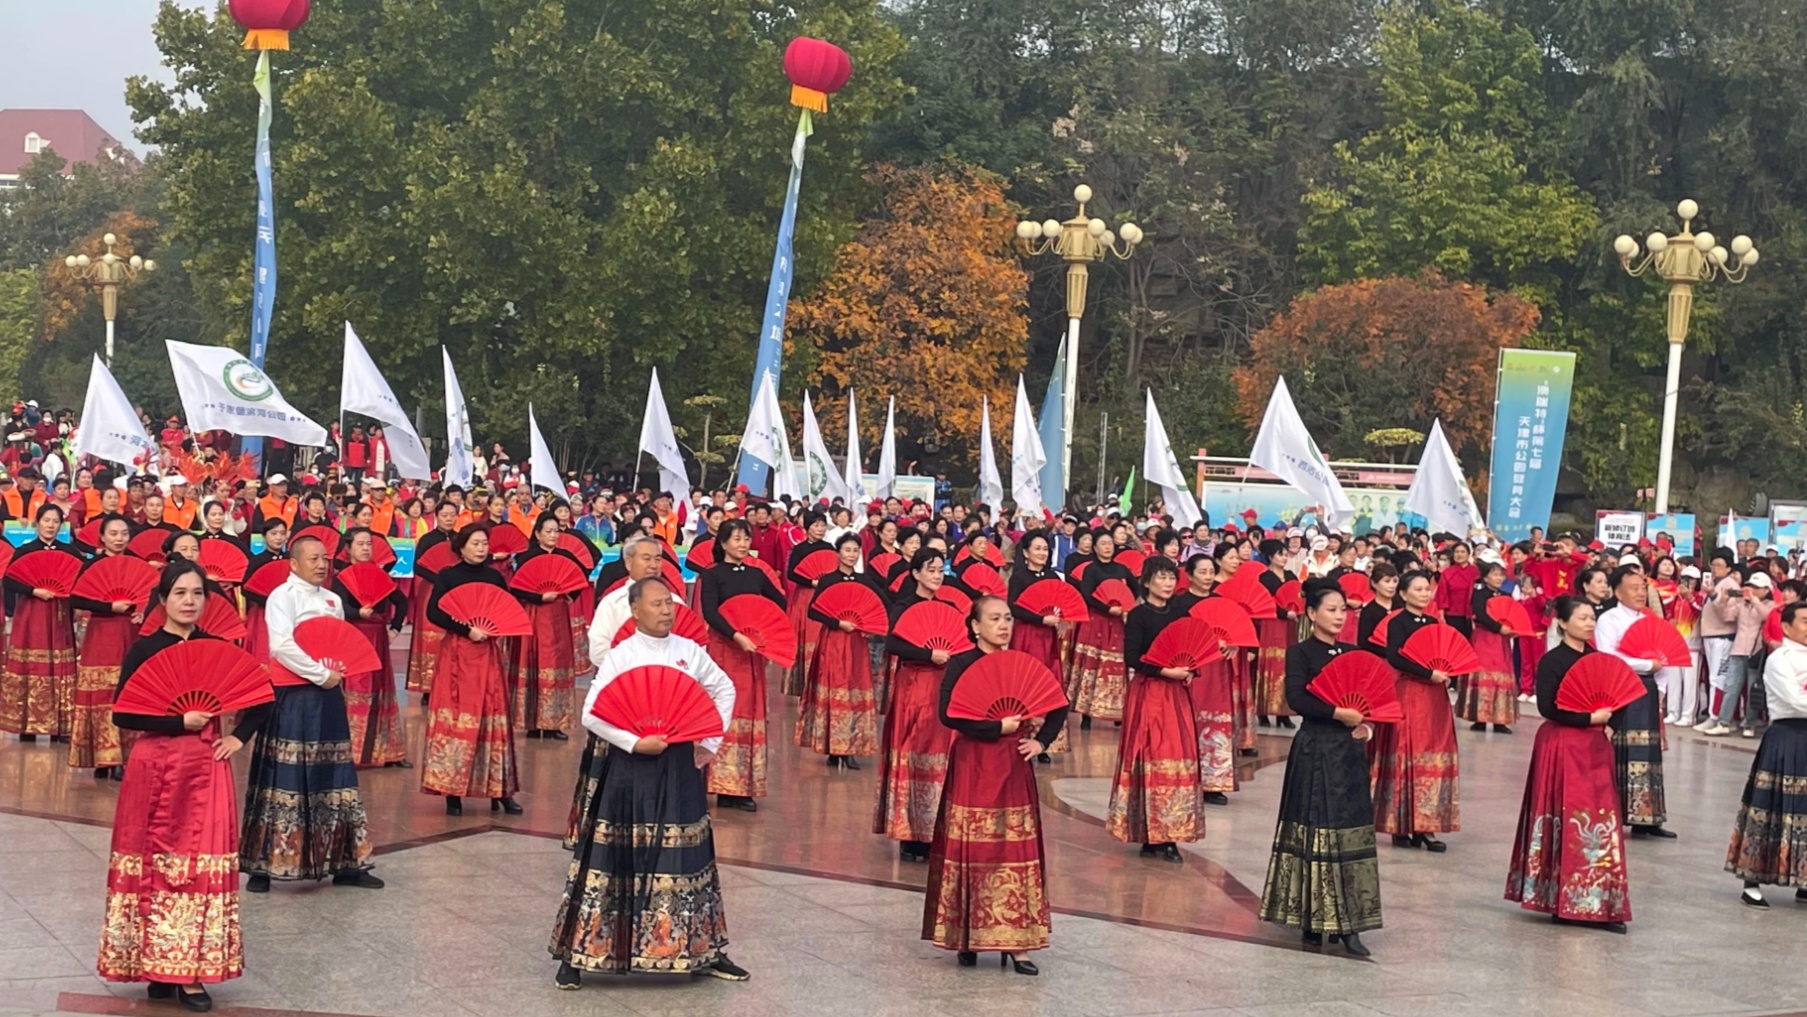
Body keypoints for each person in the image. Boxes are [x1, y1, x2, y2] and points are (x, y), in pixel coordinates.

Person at [550, 577, 749, 986]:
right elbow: (592, 713)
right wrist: (635, 742)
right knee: (612, 859)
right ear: (635, 610)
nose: (665, 611)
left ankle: (702, 948)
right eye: (656, 604)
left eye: (669, 604)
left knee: (687, 858)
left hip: (679, 768)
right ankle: (580, 953)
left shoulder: (689, 651)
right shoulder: (623, 656)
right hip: (630, 768)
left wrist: (709, 743)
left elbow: (724, 689)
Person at [98, 561, 272, 1011]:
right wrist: (178, 720)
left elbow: (260, 699)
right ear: (162, 600)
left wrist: (236, 737)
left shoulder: (220, 647)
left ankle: (191, 974)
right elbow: (124, 713)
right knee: (149, 865)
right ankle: (152, 966)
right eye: (180, 593)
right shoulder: (144, 649)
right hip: (153, 765)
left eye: (197, 593)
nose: (189, 601)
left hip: (206, 767)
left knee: (198, 866)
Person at [923, 595, 1067, 975]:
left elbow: (1058, 703)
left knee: (1013, 847)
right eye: (994, 619)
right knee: (972, 847)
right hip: (973, 763)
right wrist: (993, 728)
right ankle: (966, 936)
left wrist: (1041, 741)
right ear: (975, 626)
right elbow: (948, 713)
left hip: (1014, 764)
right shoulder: (961, 663)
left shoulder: (1023, 664)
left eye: (1007, 619)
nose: (1003, 625)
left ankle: (1019, 945)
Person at [240, 533, 382, 893]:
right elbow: (282, 646)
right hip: (292, 695)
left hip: (328, 697)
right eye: (313, 558)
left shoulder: (333, 600)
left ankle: (346, 862)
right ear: (294, 563)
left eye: (325, 559)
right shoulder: (280, 597)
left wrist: (332, 676)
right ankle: (264, 865)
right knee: (281, 775)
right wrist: (322, 674)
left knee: (335, 774)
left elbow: (337, 644)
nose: (321, 565)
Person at [1258, 581, 1380, 956]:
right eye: (1331, 609)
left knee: (1349, 831)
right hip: (1315, 748)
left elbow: (1370, 701)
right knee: (1314, 829)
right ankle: (1311, 918)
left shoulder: (1353, 651)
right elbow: (1296, 698)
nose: (1339, 615)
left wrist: (1366, 724)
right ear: (1311, 613)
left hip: (1348, 752)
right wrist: (1335, 713)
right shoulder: (1300, 653)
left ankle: (1351, 922)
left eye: (1343, 609)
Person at [1504, 596, 1630, 932]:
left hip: (1595, 747)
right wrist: (1588, 716)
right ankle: (1561, 899)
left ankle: (1600, 901)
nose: (1590, 623)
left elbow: (1622, 697)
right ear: (1562, 622)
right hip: (1562, 744)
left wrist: (1610, 723)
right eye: (1583, 618)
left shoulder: (1599, 659)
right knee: (1563, 817)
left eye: (1592, 618)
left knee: (1600, 821)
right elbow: (1548, 706)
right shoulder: (1552, 661)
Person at [421, 525, 522, 815]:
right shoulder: (448, 576)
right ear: (462, 547)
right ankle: (453, 791)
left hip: (487, 654)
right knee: (457, 719)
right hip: (457, 654)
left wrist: (494, 628)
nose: (481, 548)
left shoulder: (495, 577)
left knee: (494, 717)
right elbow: (434, 612)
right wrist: (466, 629)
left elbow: (507, 608)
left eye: (484, 543)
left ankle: (500, 790)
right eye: (475, 543)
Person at [1108, 557, 1203, 861]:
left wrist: (1190, 669)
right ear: (1147, 581)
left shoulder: (1180, 611)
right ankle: (1149, 833)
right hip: (1149, 692)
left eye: (1171, 578)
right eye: (1161, 578)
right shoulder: (1138, 615)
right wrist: (1164, 670)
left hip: (1177, 694)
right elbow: (1132, 657)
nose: (1167, 583)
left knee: (1178, 759)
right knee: (1147, 757)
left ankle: (1171, 834)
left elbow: (1195, 645)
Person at [696, 519, 787, 811]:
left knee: (749, 713)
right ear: (722, 543)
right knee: (724, 712)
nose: (742, 544)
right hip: (725, 651)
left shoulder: (757, 574)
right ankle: (713, 780)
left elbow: (779, 604)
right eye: (736, 539)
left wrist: (764, 630)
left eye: (745, 538)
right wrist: (736, 635)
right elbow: (710, 613)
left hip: (751, 654)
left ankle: (739, 787)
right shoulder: (711, 575)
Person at [876, 548, 957, 861]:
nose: (937, 575)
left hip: (942, 687)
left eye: (940, 569)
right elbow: (893, 643)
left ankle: (933, 827)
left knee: (939, 754)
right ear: (916, 573)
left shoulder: (949, 607)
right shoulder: (903, 606)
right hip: (914, 685)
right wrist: (927, 655)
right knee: (913, 752)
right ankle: (910, 834)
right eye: (931, 569)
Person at [1370, 572, 1459, 852]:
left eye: (1426, 589)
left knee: (1434, 753)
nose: (1424, 593)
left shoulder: (1433, 622)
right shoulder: (1397, 622)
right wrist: (1427, 672)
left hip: (1435, 696)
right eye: (1417, 589)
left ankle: (1427, 826)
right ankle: (1400, 823)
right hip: (1409, 691)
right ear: (1404, 594)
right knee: (1407, 751)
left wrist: (1447, 673)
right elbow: (1396, 656)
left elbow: (1446, 652)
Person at [1727, 600, 1807, 907]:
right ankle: (1752, 880)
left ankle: (1802, 878)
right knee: (1771, 808)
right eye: (1803, 621)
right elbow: (1795, 701)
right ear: (1786, 627)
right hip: (1787, 736)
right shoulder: (1780, 659)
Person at [1593, 566, 1676, 838]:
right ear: (1617, 591)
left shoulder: (1650, 620)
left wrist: (1660, 688)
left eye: (1643, 587)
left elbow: (1664, 658)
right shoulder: (1609, 619)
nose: (1640, 592)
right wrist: (1646, 664)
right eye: (1634, 588)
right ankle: (1613, 813)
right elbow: (1609, 656)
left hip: (1648, 690)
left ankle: (1646, 818)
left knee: (1648, 753)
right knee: (1621, 751)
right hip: (1621, 687)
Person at [0, 503, 83, 740]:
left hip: (59, 614)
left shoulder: (71, 552)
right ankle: (28, 724)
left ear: (61, 525)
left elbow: (82, 581)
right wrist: (34, 590)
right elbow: (9, 582)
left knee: (60, 666)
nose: (50, 525)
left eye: (55, 521)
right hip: (31, 614)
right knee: (32, 665)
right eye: (46, 520)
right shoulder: (24, 551)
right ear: (37, 523)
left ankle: (61, 724)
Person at [799, 533, 881, 768]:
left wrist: (868, 626)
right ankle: (834, 748)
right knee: (836, 693)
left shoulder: (864, 580)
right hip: (834, 642)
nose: (852, 555)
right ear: (838, 553)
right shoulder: (828, 580)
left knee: (855, 692)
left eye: (855, 550)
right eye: (847, 550)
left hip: (856, 643)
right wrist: (837, 622)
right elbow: (814, 611)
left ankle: (849, 747)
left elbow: (882, 603)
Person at [69, 514, 141, 778]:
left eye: (123, 533)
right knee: (100, 695)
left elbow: (150, 594)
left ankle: (123, 757)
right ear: (102, 537)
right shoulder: (92, 565)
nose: (119, 538)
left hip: (130, 633)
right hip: (100, 634)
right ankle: (102, 757)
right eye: (113, 534)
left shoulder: (137, 563)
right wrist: (109, 606)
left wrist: (141, 611)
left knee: (125, 692)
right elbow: (75, 599)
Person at [332, 527, 409, 768]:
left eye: (368, 544)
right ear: (348, 548)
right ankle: (353, 751)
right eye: (360, 544)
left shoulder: (380, 574)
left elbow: (402, 601)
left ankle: (387, 752)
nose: (365, 548)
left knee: (381, 689)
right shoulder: (341, 577)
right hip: (353, 637)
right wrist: (357, 612)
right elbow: (337, 606)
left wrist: (395, 627)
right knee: (357, 689)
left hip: (378, 637)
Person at [510, 515, 584, 740]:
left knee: (556, 663)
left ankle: (554, 723)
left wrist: (569, 595)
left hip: (558, 616)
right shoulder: (526, 557)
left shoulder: (565, 557)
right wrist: (539, 596)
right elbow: (517, 587)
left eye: (556, 531)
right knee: (533, 662)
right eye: (548, 531)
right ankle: (532, 721)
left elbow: (578, 580)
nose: (553, 535)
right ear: (538, 533)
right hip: (534, 614)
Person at [1171, 553, 1235, 805]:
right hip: (1192, 667)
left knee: (1216, 721)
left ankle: (1214, 782)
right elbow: (1177, 635)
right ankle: (1186, 776)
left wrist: (1234, 646)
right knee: (1190, 719)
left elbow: (1233, 634)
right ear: (1189, 575)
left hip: (1217, 672)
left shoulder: (1222, 602)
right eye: (1202, 572)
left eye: (1211, 572)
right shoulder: (1179, 604)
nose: (1208, 577)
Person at [1071, 529, 1134, 727]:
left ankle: (1117, 711)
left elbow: (1136, 587)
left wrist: (1126, 604)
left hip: (1118, 623)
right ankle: (1086, 714)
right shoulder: (1091, 569)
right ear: (1095, 547)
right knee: (1093, 664)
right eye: (1103, 543)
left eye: (1110, 543)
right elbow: (1087, 595)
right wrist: (1108, 607)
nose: (1107, 547)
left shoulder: (1122, 569)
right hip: (1096, 621)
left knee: (1116, 665)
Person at [406, 500, 461, 703]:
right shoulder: (427, 539)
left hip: (454, 591)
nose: (448, 518)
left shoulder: (459, 539)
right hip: (431, 590)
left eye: (452, 514)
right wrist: (439, 578)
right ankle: (428, 689)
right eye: (444, 514)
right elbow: (419, 566)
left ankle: (452, 682)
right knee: (430, 639)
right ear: (437, 516)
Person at [1463, 560, 1518, 733]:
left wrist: (1514, 630)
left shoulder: (1505, 595)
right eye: (1494, 574)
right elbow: (1480, 613)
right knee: (1483, 674)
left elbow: (1513, 615)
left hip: (1501, 641)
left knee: (1501, 677)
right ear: (1485, 577)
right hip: (1484, 637)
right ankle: (1479, 718)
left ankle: (1499, 721)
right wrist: (1498, 627)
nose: (1498, 577)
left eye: (1501, 574)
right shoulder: (1479, 594)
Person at [783, 511, 832, 697]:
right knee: (806, 636)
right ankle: (802, 683)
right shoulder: (799, 549)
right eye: (816, 525)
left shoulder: (829, 548)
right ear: (808, 527)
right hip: (805, 596)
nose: (820, 529)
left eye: (822, 525)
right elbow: (791, 574)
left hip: (824, 596)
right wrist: (812, 582)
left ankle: (821, 680)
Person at [1255, 539, 1298, 729]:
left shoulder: (1291, 575)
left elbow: (1298, 595)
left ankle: (1284, 713)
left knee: (1288, 665)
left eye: (1285, 554)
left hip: (1289, 624)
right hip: (1271, 623)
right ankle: (1264, 711)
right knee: (1270, 664)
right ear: (1271, 557)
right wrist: (1283, 612)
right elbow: (1265, 601)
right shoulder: (1265, 578)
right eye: (1280, 554)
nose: (1284, 557)